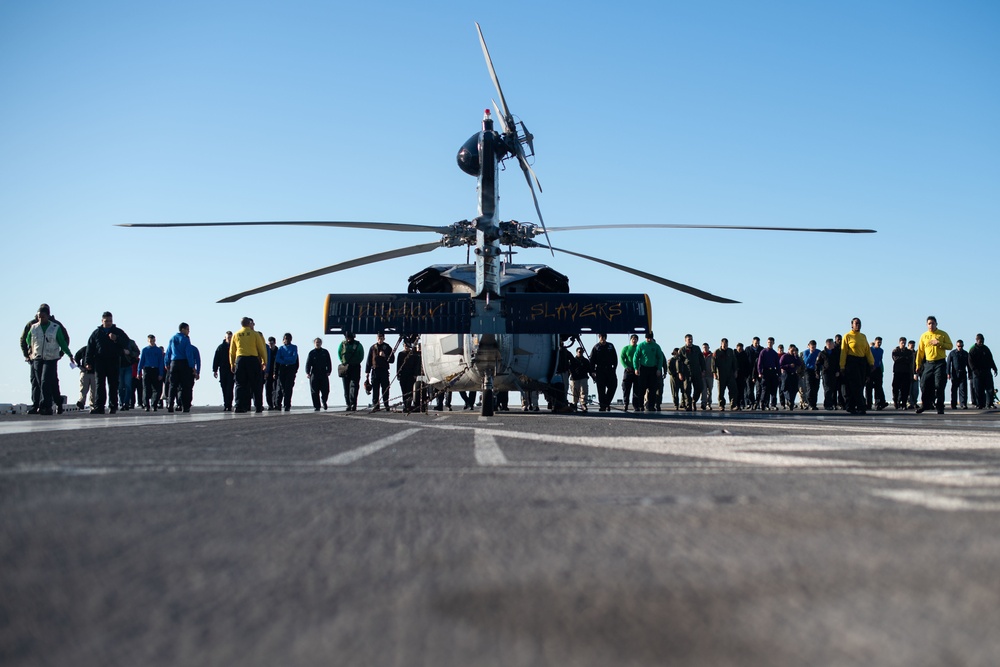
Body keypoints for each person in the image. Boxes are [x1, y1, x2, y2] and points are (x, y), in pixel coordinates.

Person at [21, 304, 70, 414]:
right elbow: (24, 339)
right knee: (36, 382)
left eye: (43, 315)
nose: (40, 318)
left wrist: (60, 354)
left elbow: (65, 339)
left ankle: (55, 403)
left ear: (48, 314)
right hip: (35, 358)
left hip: (51, 358)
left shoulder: (56, 325)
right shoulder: (32, 325)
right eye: (39, 316)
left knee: (50, 382)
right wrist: (27, 354)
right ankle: (36, 405)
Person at [84, 312, 130, 414]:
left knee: (113, 385)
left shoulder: (118, 332)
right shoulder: (96, 333)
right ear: (102, 321)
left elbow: (127, 342)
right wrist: (88, 362)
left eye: (110, 321)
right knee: (100, 384)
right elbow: (90, 348)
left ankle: (113, 406)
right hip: (100, 361)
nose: (108, 323)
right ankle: (99, 407)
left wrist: (116, 338)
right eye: (106, 321)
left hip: (113, 361)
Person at [915, 315, 953, 415]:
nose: (931, 325)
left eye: (933, 323)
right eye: (929, 323)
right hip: (928, 363)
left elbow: (950, 346)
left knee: (939, 385)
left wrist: (939, 343)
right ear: (926, 325)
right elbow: (920, 351)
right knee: (924, 384)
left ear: (936, 324)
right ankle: (925, 404)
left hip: (940, 362)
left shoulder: (943, 334)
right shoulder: (924, 336)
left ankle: (940, 406)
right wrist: (918, 364)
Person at [230, 317, 268, 413]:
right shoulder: (255, 334)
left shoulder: (236, 334)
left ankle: (239, 405)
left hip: (240, 360)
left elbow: (232, 351)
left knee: (240, 384)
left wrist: (232, 363)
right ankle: (258, 406)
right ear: (249, 323)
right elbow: (261, 348)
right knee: (256, 384)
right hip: (252, 360)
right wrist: (264, 361)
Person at [838, 318, 874, 414]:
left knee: (861, 384)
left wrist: (871, 362)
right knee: (855, 385)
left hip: (861, 362)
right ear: (852, 325)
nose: (858, 325)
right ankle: (861, 406)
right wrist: (842, 366)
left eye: (859, 323)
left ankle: (851, 406)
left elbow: (867, 350)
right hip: (851, 362)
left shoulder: (863, 336)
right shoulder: (847, 336)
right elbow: (843, 352)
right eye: (856, 323)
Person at [165, 323, 198, 413]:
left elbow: (168, 352)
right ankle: (185, 406)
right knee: (184, 386)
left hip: (174, 363)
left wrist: (166, 362)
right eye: (187, 329)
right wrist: (192, 366)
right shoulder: (185, 339)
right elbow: (188, 353)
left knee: (173, 385)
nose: (188, 332)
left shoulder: (172, 338)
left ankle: (170, 404)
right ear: (183, 329)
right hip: (184, 363)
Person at [632, 331, 663, 412]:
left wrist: (659, 369)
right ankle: (640, 405)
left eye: (650, 338)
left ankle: (651, 406)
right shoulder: (641, 345)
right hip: (643, 369)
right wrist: (636, 368)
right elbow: (635, 357)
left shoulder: (656, 346)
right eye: (647, 338)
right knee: (642, 388)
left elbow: (660, 358)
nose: (648, 339)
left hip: (653, 369)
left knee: (653, 389)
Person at [366, 332, 395, 412]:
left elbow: (392, 359)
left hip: (384, 371)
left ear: (384, 338)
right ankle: (376, 405)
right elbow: (369, 361)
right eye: (379, 338)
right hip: (375, 371)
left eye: (381, 338)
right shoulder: (372, 348)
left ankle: (386, 404)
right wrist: (367, 372)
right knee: (375, 389)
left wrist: (385, 356)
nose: (380, 340)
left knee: (385, 388)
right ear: (377, 338)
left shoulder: (387, 347)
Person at [967, 333, 998, 409]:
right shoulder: (973, 350)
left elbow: (991, 359)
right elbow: (970, 361)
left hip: (986, 371)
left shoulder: (986, 349)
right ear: (977, 340)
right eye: (980, 341)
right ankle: (980, 404)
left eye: (982, 341)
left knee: (989, 388)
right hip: (977, 372)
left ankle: (989, 403)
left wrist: (994, 368)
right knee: (978, 389)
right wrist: (974, 370)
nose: (981, 342)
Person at [589, 333, 618, 412]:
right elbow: (591, 360)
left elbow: (615, 358)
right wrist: (592, 371)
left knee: (613, 386)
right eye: (601, 337)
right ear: (599, 338)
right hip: (600, 370)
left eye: (604, 337)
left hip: (609, 370)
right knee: (601, 389)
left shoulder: (610, 346)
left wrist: (614, 368)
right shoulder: (596, 347)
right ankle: (603, 405)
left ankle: (607, 402)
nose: (602, 339)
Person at [137, 334, 165, 411]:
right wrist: (138, 372)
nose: (152, 342)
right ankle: (146, 405)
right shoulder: (145, 350)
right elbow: (141, 361)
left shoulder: (158, 351)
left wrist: (160, 373)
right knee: (146, 388)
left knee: (157, 389)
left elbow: (161, 362)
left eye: (153, 341)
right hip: (147, 370)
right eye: (150, 341)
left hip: (155, 370)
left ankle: (154, 404)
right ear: (148, 341)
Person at [337, 332, 364, 411]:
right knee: (346, 387)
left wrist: (356, 362)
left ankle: (353, 403)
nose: (348, 339)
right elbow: (339, 353)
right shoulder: (342, 344)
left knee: (354, 386)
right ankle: (348, 404)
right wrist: (343, 362)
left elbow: (361, 355)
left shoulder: (358, 344)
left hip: (355, 366)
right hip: (346, 367)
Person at [678, 334, 705, 411]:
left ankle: (694, 400)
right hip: (687, 372)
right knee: (687, 389)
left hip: (696, 371)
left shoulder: (697, 348)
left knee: (700, 387)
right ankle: (688, 405)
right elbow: (679, 362)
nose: (690, 340)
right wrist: (680, 372)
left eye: (691, 339)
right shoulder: (682, 350)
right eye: (689, 339)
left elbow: (701, 360)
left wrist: (703, 370)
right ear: (685, 340)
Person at [273, 333, 299, 411]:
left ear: (291, 339)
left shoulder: (294, 347)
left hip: (291, 369)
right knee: (280, 387)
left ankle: (287, 404)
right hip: (282, 369)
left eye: (288, 338)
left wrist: (284, 359)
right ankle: (278, 404)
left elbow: (294, 358)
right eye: (285, 338)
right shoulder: (280, 349)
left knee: (288, 388)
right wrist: (275, 372)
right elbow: (277, 359)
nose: (286, 340)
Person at [306, 337, 333, 411]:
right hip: (314, 373)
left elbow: (329, 362)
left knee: (326, 390)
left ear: (321, 343)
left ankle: (324, 401)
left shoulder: (325, 352)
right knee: (314, 391)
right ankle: (317, 406)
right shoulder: (311, 353)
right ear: (314, 343)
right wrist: (307, 372)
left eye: (319, 342)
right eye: (316, 342)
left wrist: (329, 371)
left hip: (323, 373)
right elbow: (308, 363)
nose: (317, 344)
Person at [396, 340, 421, 413]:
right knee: (404, 391)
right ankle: (405, 405)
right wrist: (398, 374)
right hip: (403, 375)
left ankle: (408, 405)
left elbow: (416, 365)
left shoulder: (413, 354)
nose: (406, 346)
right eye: (405, 345)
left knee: (410, 391)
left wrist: (415, 374)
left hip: (411, 375)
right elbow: (398, 365)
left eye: (407, 345)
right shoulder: (401, 354)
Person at [212, 332, 235, 411]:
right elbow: (216, 359)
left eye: (230, 337)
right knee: (224, 387)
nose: (229, 339)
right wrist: (214, 370)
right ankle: (226, 404)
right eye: (228, 337)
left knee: (230, 387)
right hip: (223, 369)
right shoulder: (220, 347)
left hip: (231, 370)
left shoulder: (235, 347)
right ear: (225, 337)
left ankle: (229, 404)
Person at [713, 338, 738, 411]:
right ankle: (721, 405)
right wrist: (714, 373)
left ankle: (733, 405)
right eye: (724, 344)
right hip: (720, 374)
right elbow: (713, 364)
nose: (725, 346)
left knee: (733, 390)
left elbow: (734, 362)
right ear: (721, 344)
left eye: (726, 344)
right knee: (721, 391)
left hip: (730, 374)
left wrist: (736, 371)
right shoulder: (717, 352)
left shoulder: (731, 351)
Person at [756, 337, 780, 410]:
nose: (770, 344)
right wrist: (760, 372)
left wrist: (779, 374)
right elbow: (759, 363)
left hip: (773, 371)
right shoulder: (763, 352)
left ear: (773, 343)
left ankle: (773, 404)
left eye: (771, 342)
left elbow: (777, 365)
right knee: (765, 389)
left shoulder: (775, 353)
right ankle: (764, 404)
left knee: (774, 389)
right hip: (765, 372)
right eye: (769, 342)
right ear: (767, 343)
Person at [816, 338, 840, 410]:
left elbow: (838, 363)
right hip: (825, 373)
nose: (834, 345)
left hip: (833, 373)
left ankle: (833, 404)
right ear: (828, 344)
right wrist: (817, 372)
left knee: (833, 389)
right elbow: (817, 364)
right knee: (827, 388)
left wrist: (838, 371)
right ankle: (827, 404)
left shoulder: (835, 353)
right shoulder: (822, 353)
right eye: (832, 343)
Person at [865, 336, 888, 411]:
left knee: (878, 387)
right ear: (875, 342)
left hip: (878, 370)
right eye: (878, 342)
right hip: (871, 369)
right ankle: (868, 404)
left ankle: (878, 403)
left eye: (880, 342)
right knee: (869, 387)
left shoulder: (881, 350)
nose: (879, 344)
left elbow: (880, 360)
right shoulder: (871, 349)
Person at [890, 337, 914, 410]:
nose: (903, 344)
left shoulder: (909, 352)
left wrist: (902, 358)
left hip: (906, 372)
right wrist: (904, 358)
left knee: (905, 389)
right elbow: (895, 359)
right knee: (895, 388)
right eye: (902, 342)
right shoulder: (895, 351)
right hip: (897, 372)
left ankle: (904, 404)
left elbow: (909, 360)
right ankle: (896, 401)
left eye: (904, 343)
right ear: (899, 342)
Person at [946, 339, 970, 409]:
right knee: (954, 390)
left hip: (963, 373)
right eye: (959, 346)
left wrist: (970, 373)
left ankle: (963, 404)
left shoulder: (965, 354)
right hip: (954, 374)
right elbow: (948, 364)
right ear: (956, 345)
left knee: (963, 389)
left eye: (961, 346)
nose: (960, 347)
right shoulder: (952, 353)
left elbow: (969, 364)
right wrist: (948, 373)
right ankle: (953, 404)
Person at [620, 334, 640, 412]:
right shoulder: (626, 348)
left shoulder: (639, 348)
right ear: (630, 340)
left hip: (637, 370)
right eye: (633, 339)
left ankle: (636, 405)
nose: (634, 340)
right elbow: (622, 358)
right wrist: (626, 366)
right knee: (626, 388)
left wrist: (638, 368)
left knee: (636, 389)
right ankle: (626, 404)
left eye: (635, 339)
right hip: (628, 370)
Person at [569, 346, 592, 412]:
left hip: (583, 378)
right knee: (574, 392)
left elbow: (589, 370)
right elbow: (569, 369)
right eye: (579, 352)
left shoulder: (586, 361)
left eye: (581, 352)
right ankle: (575, 404)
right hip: (574, 379)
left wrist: (593, 377)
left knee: (584, 391)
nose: (580, 353)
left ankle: (583, 404)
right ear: (576, 352)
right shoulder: (573, 360)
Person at [779, 344, 802, 410]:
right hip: (786, 374)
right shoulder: (784, 356)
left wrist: (796, 356)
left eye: (794, 350)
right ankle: (789, 400)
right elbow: (780, 365)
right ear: (789, 349)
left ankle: (791, 402)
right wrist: (788, 366)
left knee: (794, 389)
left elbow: (799, 364)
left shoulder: (795, 357)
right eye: (792, 350)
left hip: (794, 374)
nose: (793, 352)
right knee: (786, 389)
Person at [74, 345, 97, 410]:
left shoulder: (98, 349)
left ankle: (93, 405)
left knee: (94, 390)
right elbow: (76, 357)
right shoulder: (84, 349)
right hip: (85, 372)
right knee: (83, 388)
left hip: (94, 373)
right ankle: (81, 402)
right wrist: (80, 366)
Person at [744, 337, 762, 409]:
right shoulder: (747, 349)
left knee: (759, 389)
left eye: (758, 343)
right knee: (749, 390)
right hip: (749, 372)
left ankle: (757, 402)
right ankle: (751, 402)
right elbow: (745, 361)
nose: (756, 344)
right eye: (755, 343)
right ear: (752, 342)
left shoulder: (761, 350)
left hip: (758, 372)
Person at [264, 336, 278, 410]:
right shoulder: (266, 351)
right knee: (268, 389)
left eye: (272, 344)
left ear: (274, 343)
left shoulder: (278, 351)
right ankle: (270, 405)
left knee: (275, 389)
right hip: (268, 373)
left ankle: (276, 403)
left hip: (276, 373)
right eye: (269, 344)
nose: (270, 345)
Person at [700, 343, 715, 410]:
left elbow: (715, 364)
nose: (705, 348)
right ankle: (703, 403)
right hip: (702, 375)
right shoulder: (700, 355)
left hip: (710, 375)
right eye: (704, 347)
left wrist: (714, 372)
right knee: (703, 389)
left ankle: (709, 404)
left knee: (710, 390)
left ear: (709, 347)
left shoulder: (712, 355)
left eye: (706, 347)